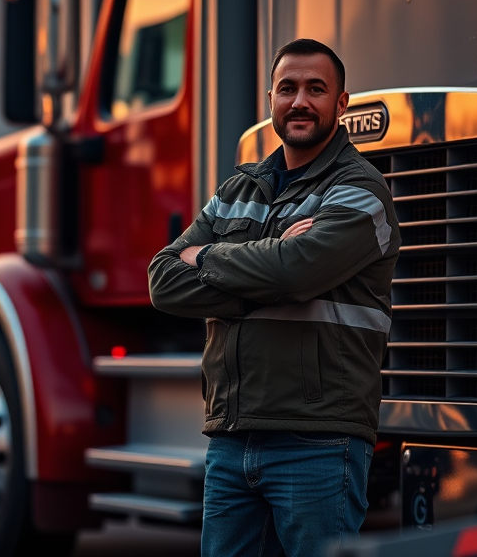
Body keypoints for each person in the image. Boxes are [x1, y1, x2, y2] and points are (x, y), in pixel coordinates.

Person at [148, 38, 400, 557]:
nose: (300, 101)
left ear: (342, 103)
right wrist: (264, 271)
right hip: (232, 437)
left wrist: (210, 259)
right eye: (288, 88)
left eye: (316, 89)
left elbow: (295, 274)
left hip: (318, 441)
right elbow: (162, 280)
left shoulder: (361, 191)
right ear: (270, 100)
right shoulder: (237, 188)